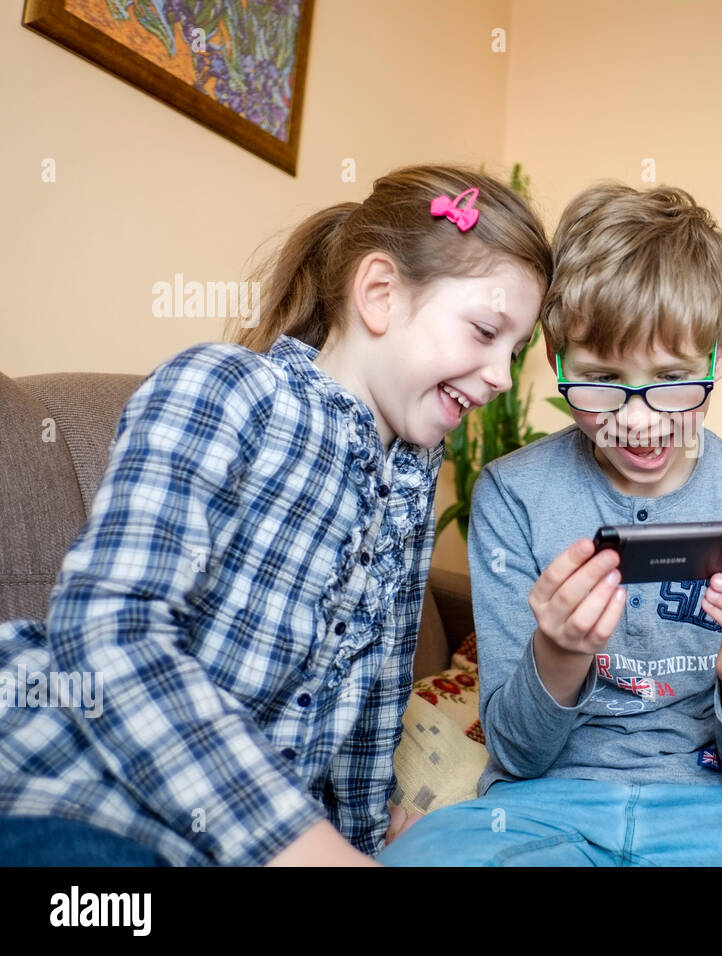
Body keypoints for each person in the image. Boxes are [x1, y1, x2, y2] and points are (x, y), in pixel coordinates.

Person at [0, 165, 550, 866]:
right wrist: (301, 845)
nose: (503, 376)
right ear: (380, 293)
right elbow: (112, 632)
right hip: (79, 790)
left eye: (515, 350)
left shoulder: (412, 480)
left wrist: (358, 837)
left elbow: (374, 710)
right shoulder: (228, 389)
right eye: (484, 331)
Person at [378, 181, 722, 866]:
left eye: (675, 376)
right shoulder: (514, 495)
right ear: (556, 360)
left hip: (716, 816)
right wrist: (558, 656)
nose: (639, 420)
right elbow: (517, 752)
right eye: (599, 379)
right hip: (540, 808)